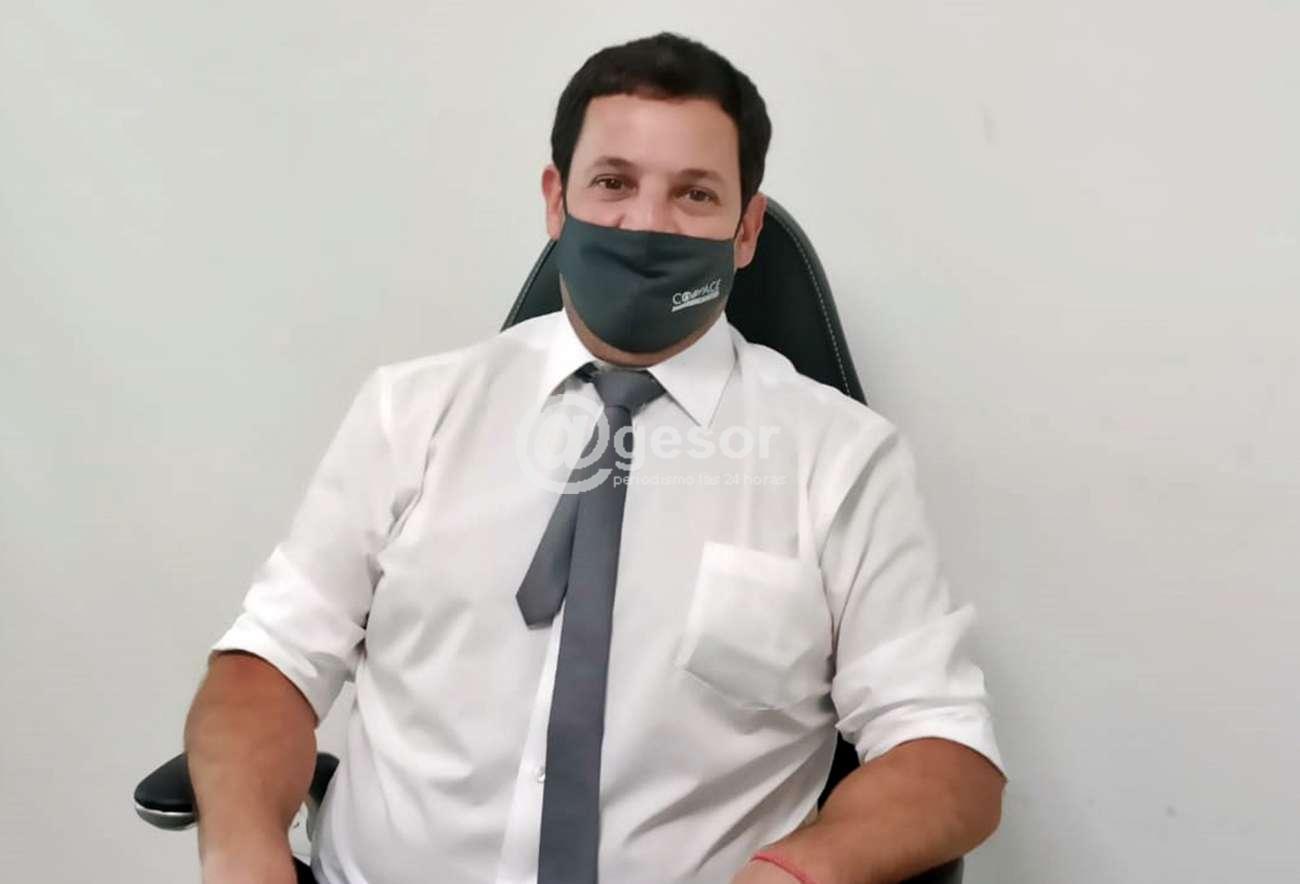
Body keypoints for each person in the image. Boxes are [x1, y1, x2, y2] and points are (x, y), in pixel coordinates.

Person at [184, 32, 1006, 884]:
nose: (646, 225)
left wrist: (800, 871)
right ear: (556, 200)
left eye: (694, 194)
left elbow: (945, 751)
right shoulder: (412, 412)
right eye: (613, 183)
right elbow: (269, 665)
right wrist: (243, 848)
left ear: (746, 229)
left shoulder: (840, 459)